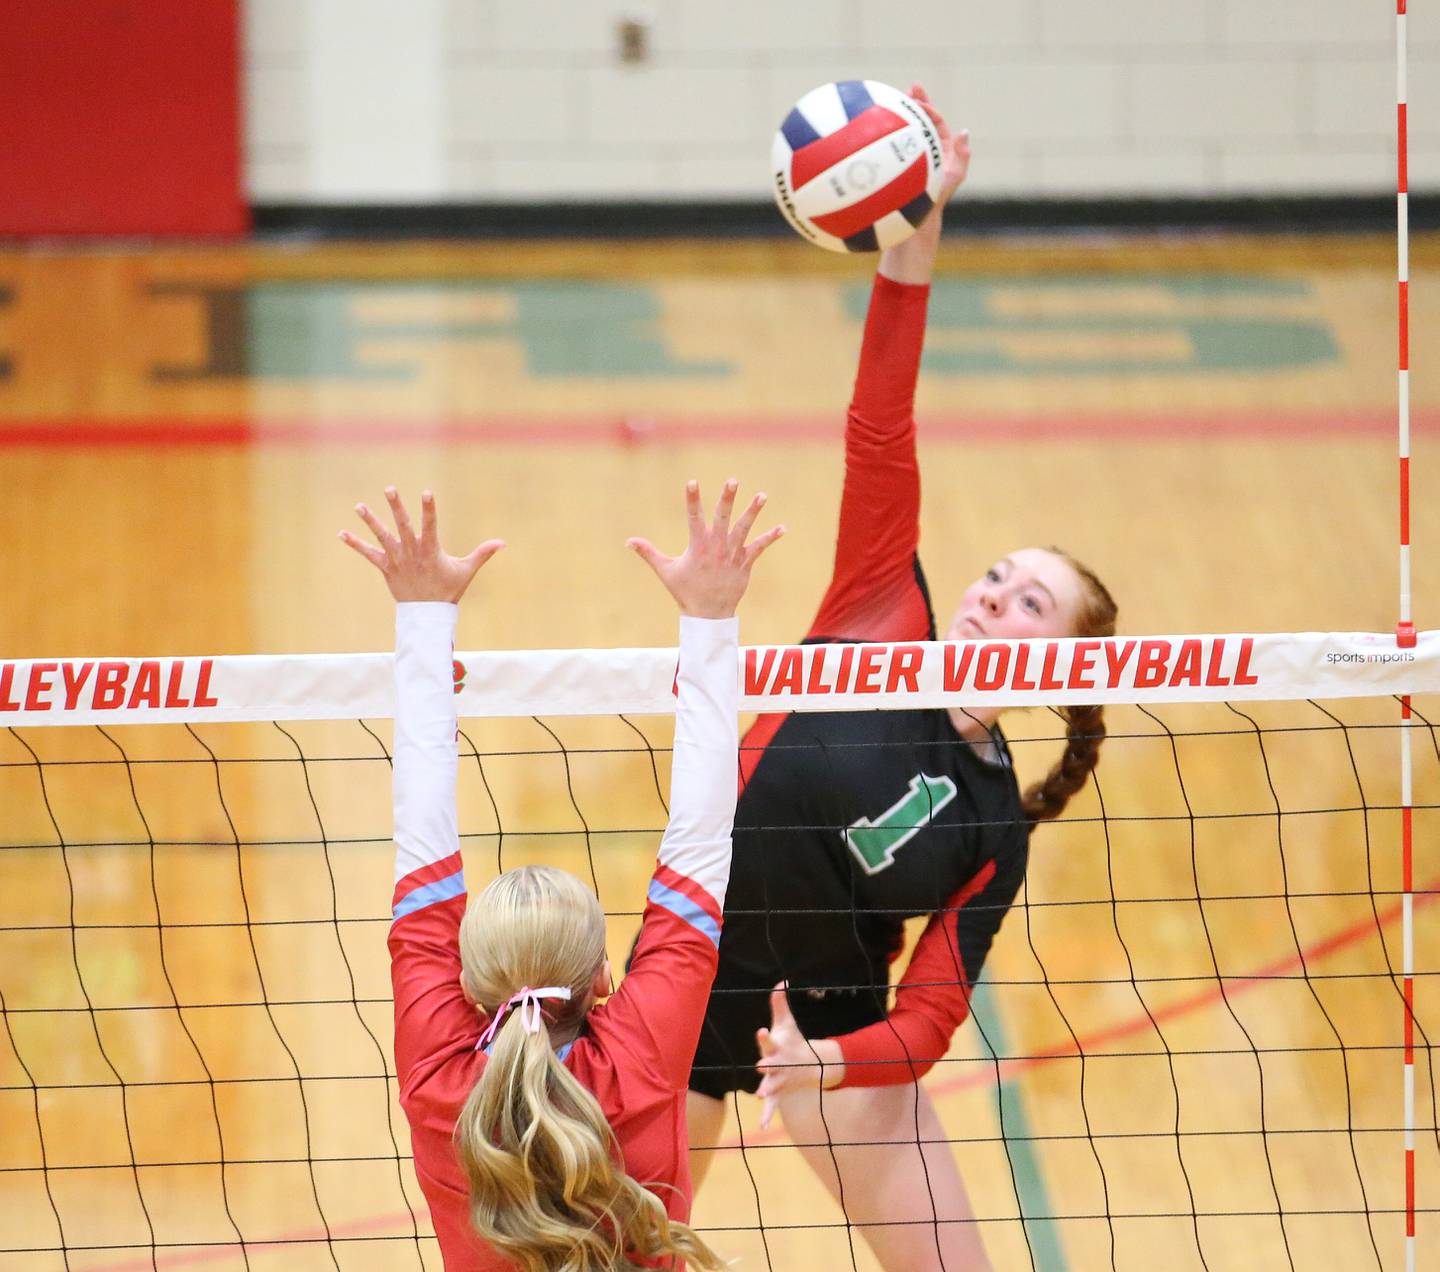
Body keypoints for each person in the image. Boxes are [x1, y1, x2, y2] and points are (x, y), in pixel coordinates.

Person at [684, 87, 1118, 1271]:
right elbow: (882, 425)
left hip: (832, 1024)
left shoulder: (996, 825)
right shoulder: (885, 609)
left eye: (1031, 600)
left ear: (1062, 662)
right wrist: (911, 249)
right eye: (993, 575)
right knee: (611, 1252)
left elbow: (929, 1015)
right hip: (694, 967)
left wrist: (835, 1060)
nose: (989, 594)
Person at [341, 481, 781, 1271]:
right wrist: (711, 619)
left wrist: (422, 616)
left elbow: (420, 838)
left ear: (470, 989)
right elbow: (704, 836)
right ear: (605, 976)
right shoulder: (637, 1056)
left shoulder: (442, 1078)